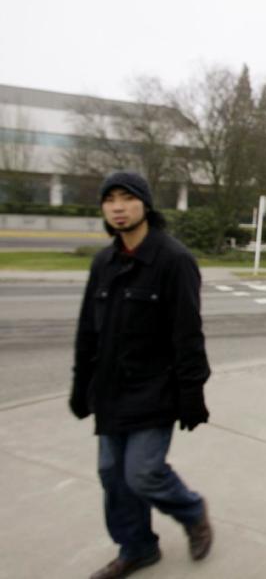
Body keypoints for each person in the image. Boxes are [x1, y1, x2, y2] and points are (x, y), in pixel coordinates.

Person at [70, 171, 214, 579]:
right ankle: (136, 547)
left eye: (127, 198)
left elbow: (188, 335)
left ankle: (192, 510)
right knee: (113, 477)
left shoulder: (174, 260)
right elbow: (87, 331)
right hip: (110, 393)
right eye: (109, 199)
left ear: (145, 204)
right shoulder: (104, 262)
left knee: (143, 473)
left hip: (155, 392)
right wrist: (81, 387)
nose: (117, 207)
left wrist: (192, 395)